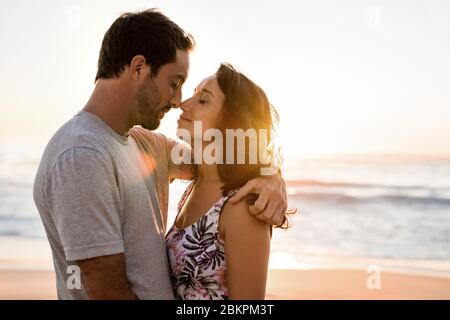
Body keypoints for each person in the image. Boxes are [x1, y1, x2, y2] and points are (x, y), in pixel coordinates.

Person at [33, 9, 288, 300]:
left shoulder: (147, 147)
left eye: (196, 95)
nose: (179, 101)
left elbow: (224, 162)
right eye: (174, 83)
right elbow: (106, 293)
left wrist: (271, 178)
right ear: (139, 68)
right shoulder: (82, 155)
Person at [166, 64, 292, 300]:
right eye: (193, 94)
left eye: (203, 100)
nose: (184, 104)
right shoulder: (194, 184)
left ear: (230, 122)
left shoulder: (241, 205)